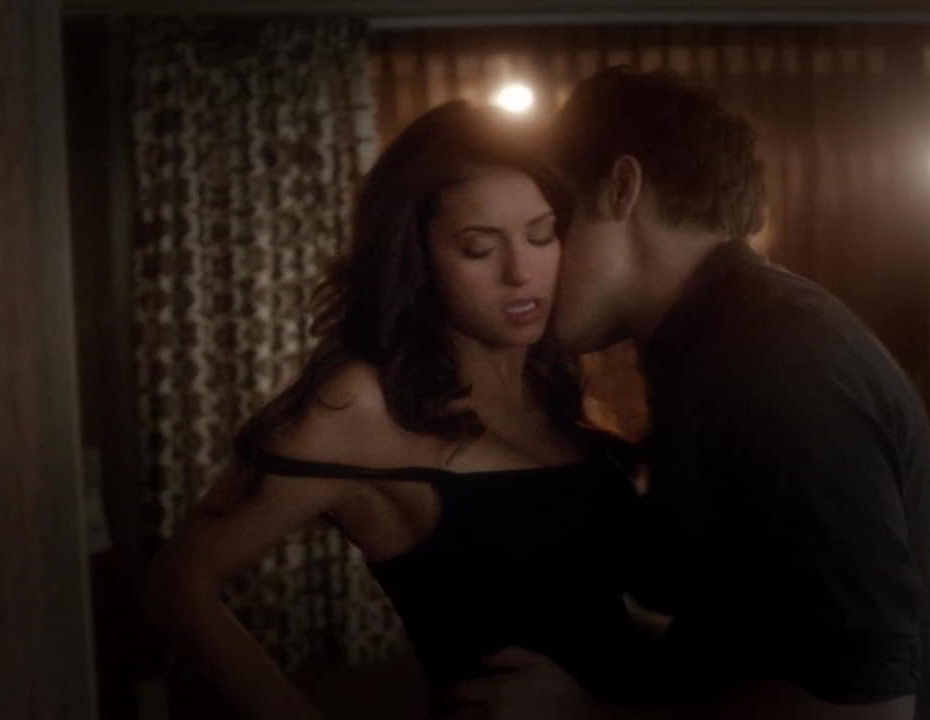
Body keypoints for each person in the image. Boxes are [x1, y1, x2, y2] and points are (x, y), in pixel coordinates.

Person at [449, 68, 930, 720]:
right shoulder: (710, 346)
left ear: (621, 189)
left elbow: (870, 710)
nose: (532, 267)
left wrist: (585, 714)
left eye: (548, 227)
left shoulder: (773, 361)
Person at [146, 100, 648, 719]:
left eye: (541, 235)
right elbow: (177, 585)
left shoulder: (550, 383)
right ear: (416, 258)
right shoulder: (363, 404)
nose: (521, 271)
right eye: (478, 247)